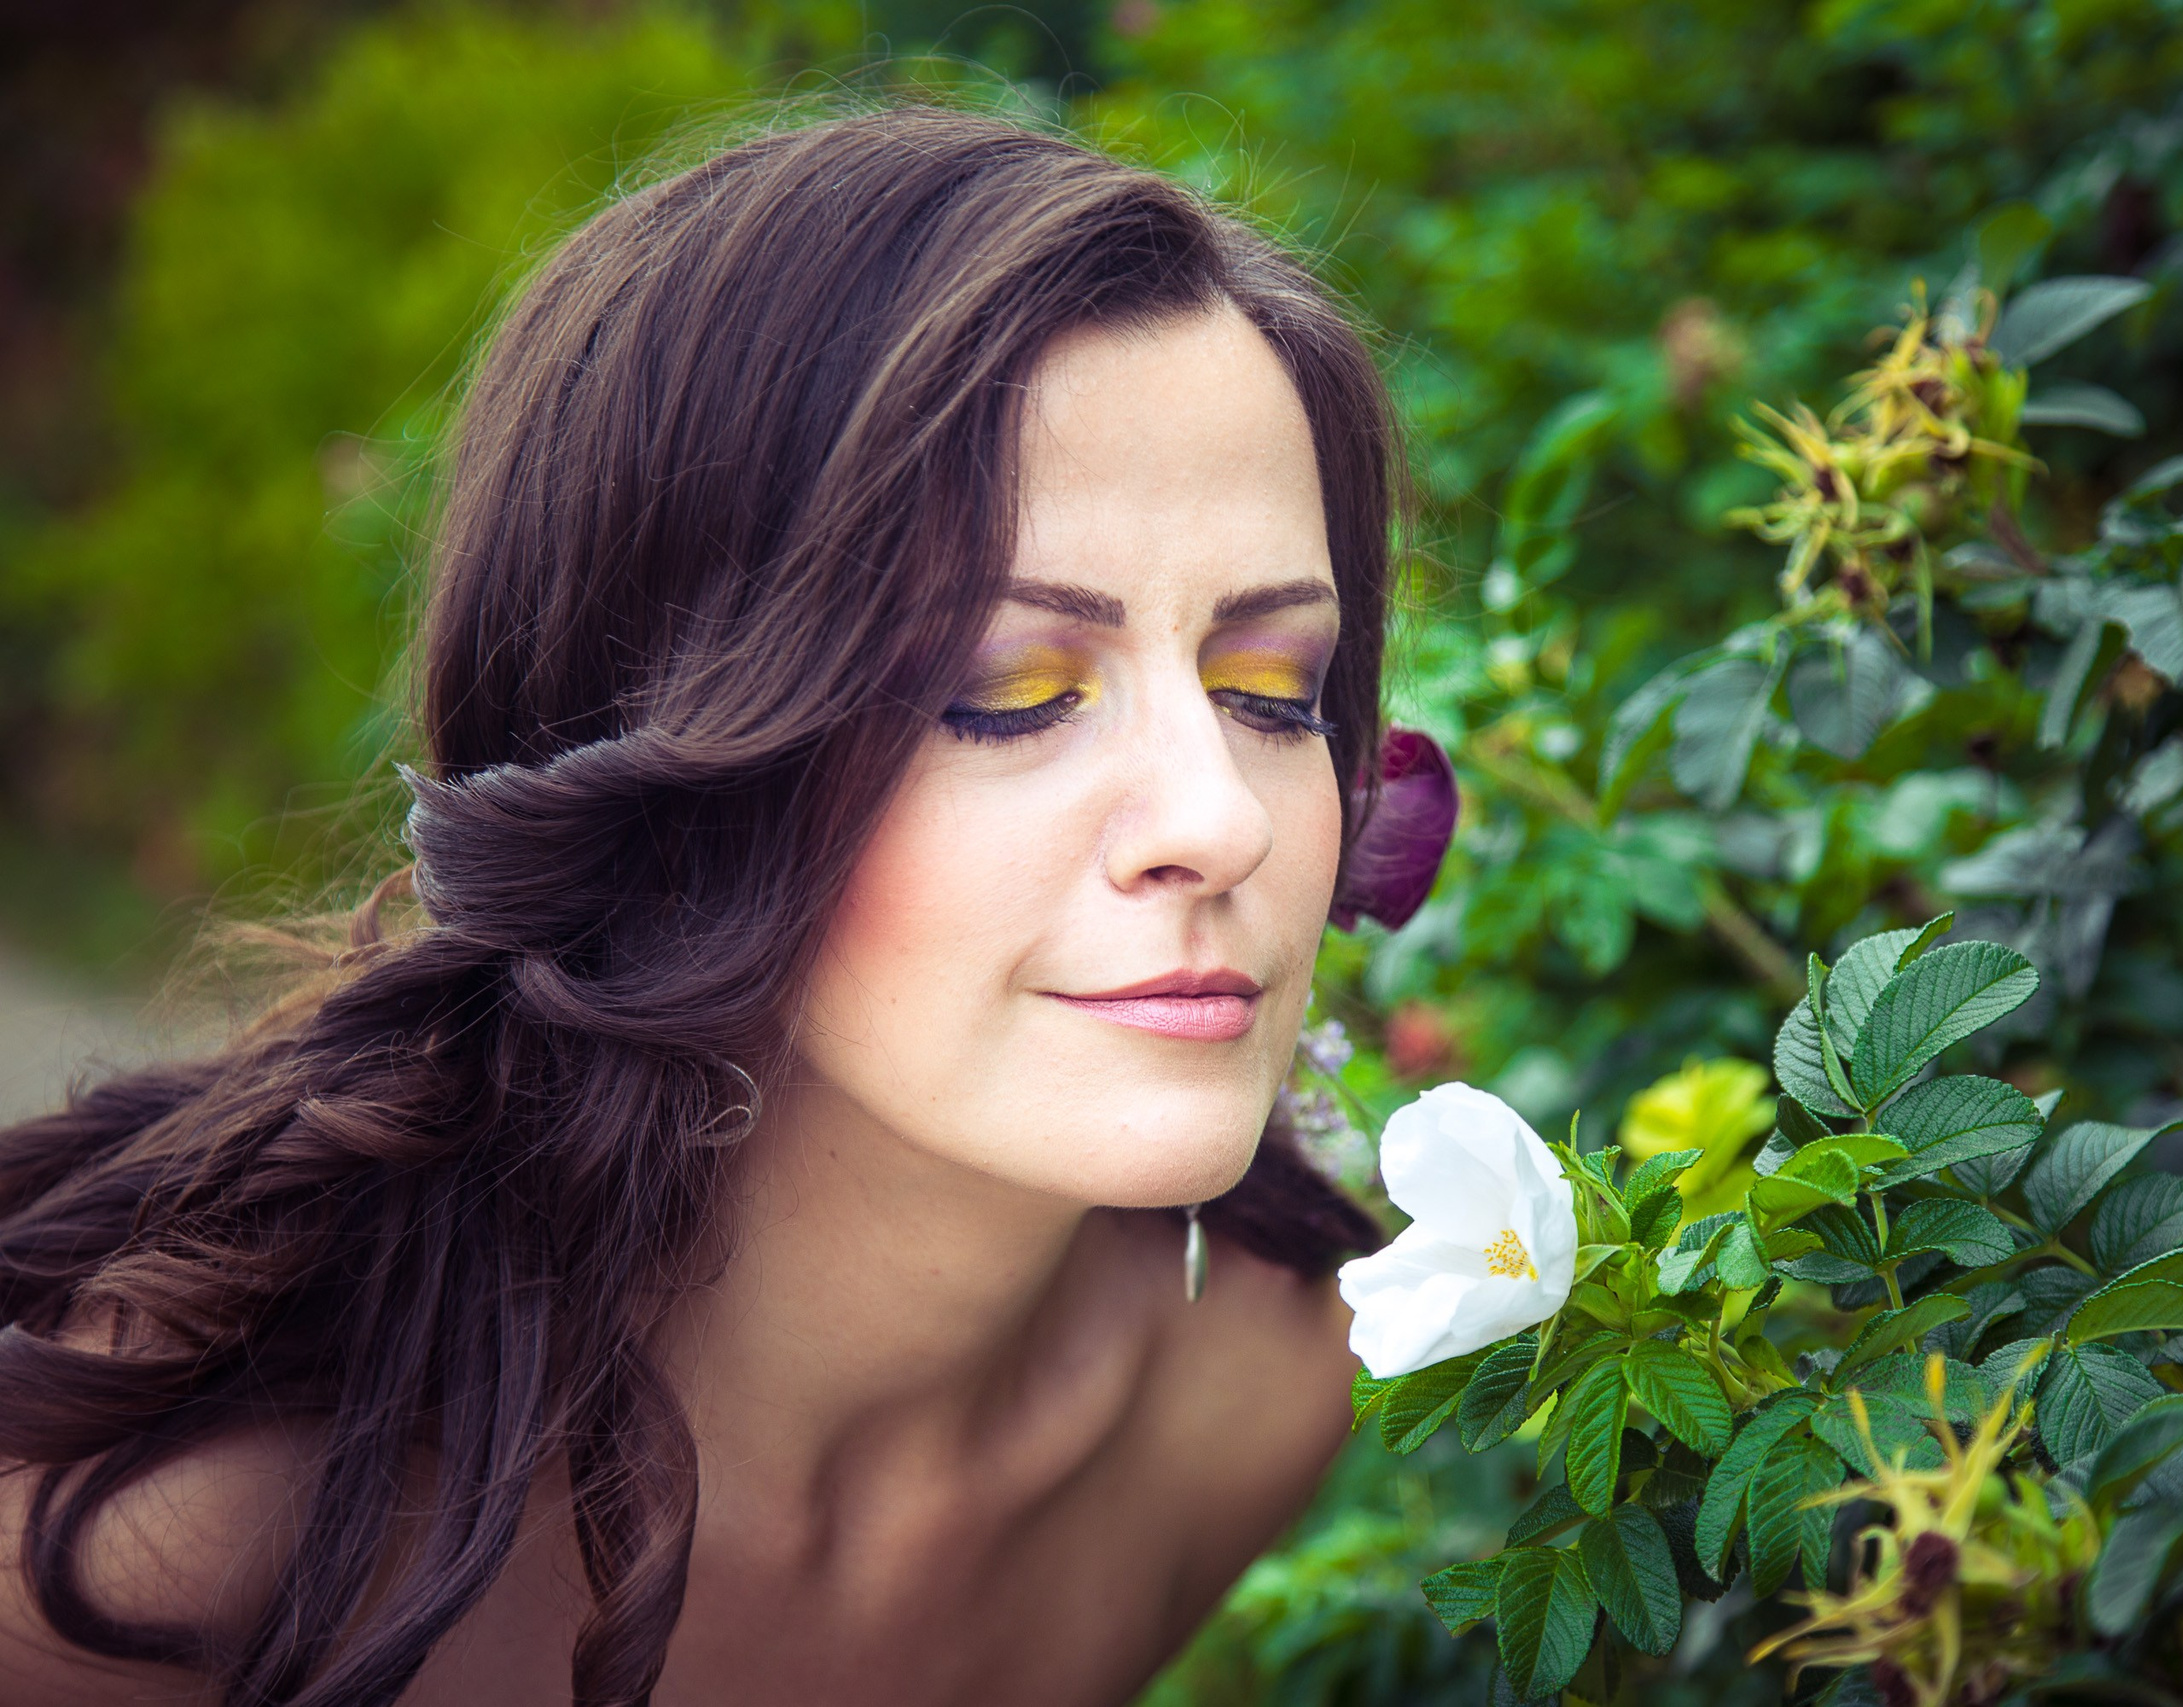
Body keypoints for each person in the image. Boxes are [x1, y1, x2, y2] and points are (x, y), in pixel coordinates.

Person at [0, 104, 1446, 1706]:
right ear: (666, 750)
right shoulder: (150, 1545)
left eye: (1272, 687)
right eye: (1010, 692)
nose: (1220, 819)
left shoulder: (1249, 1396)